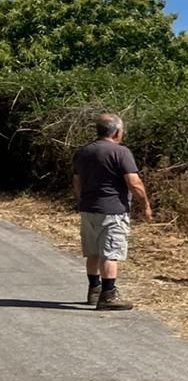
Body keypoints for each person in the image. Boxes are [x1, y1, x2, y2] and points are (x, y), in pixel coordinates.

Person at [72, 112, 153, 310]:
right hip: (112, 211)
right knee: (110, 253)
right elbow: (134, 183)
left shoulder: (84, 152)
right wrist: (146, 204)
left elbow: (77, 183)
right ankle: (109, 295)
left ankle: (94, 290)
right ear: (117, 132)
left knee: (93, 252)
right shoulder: (121, 152)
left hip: (88, 209)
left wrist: (83, 200)